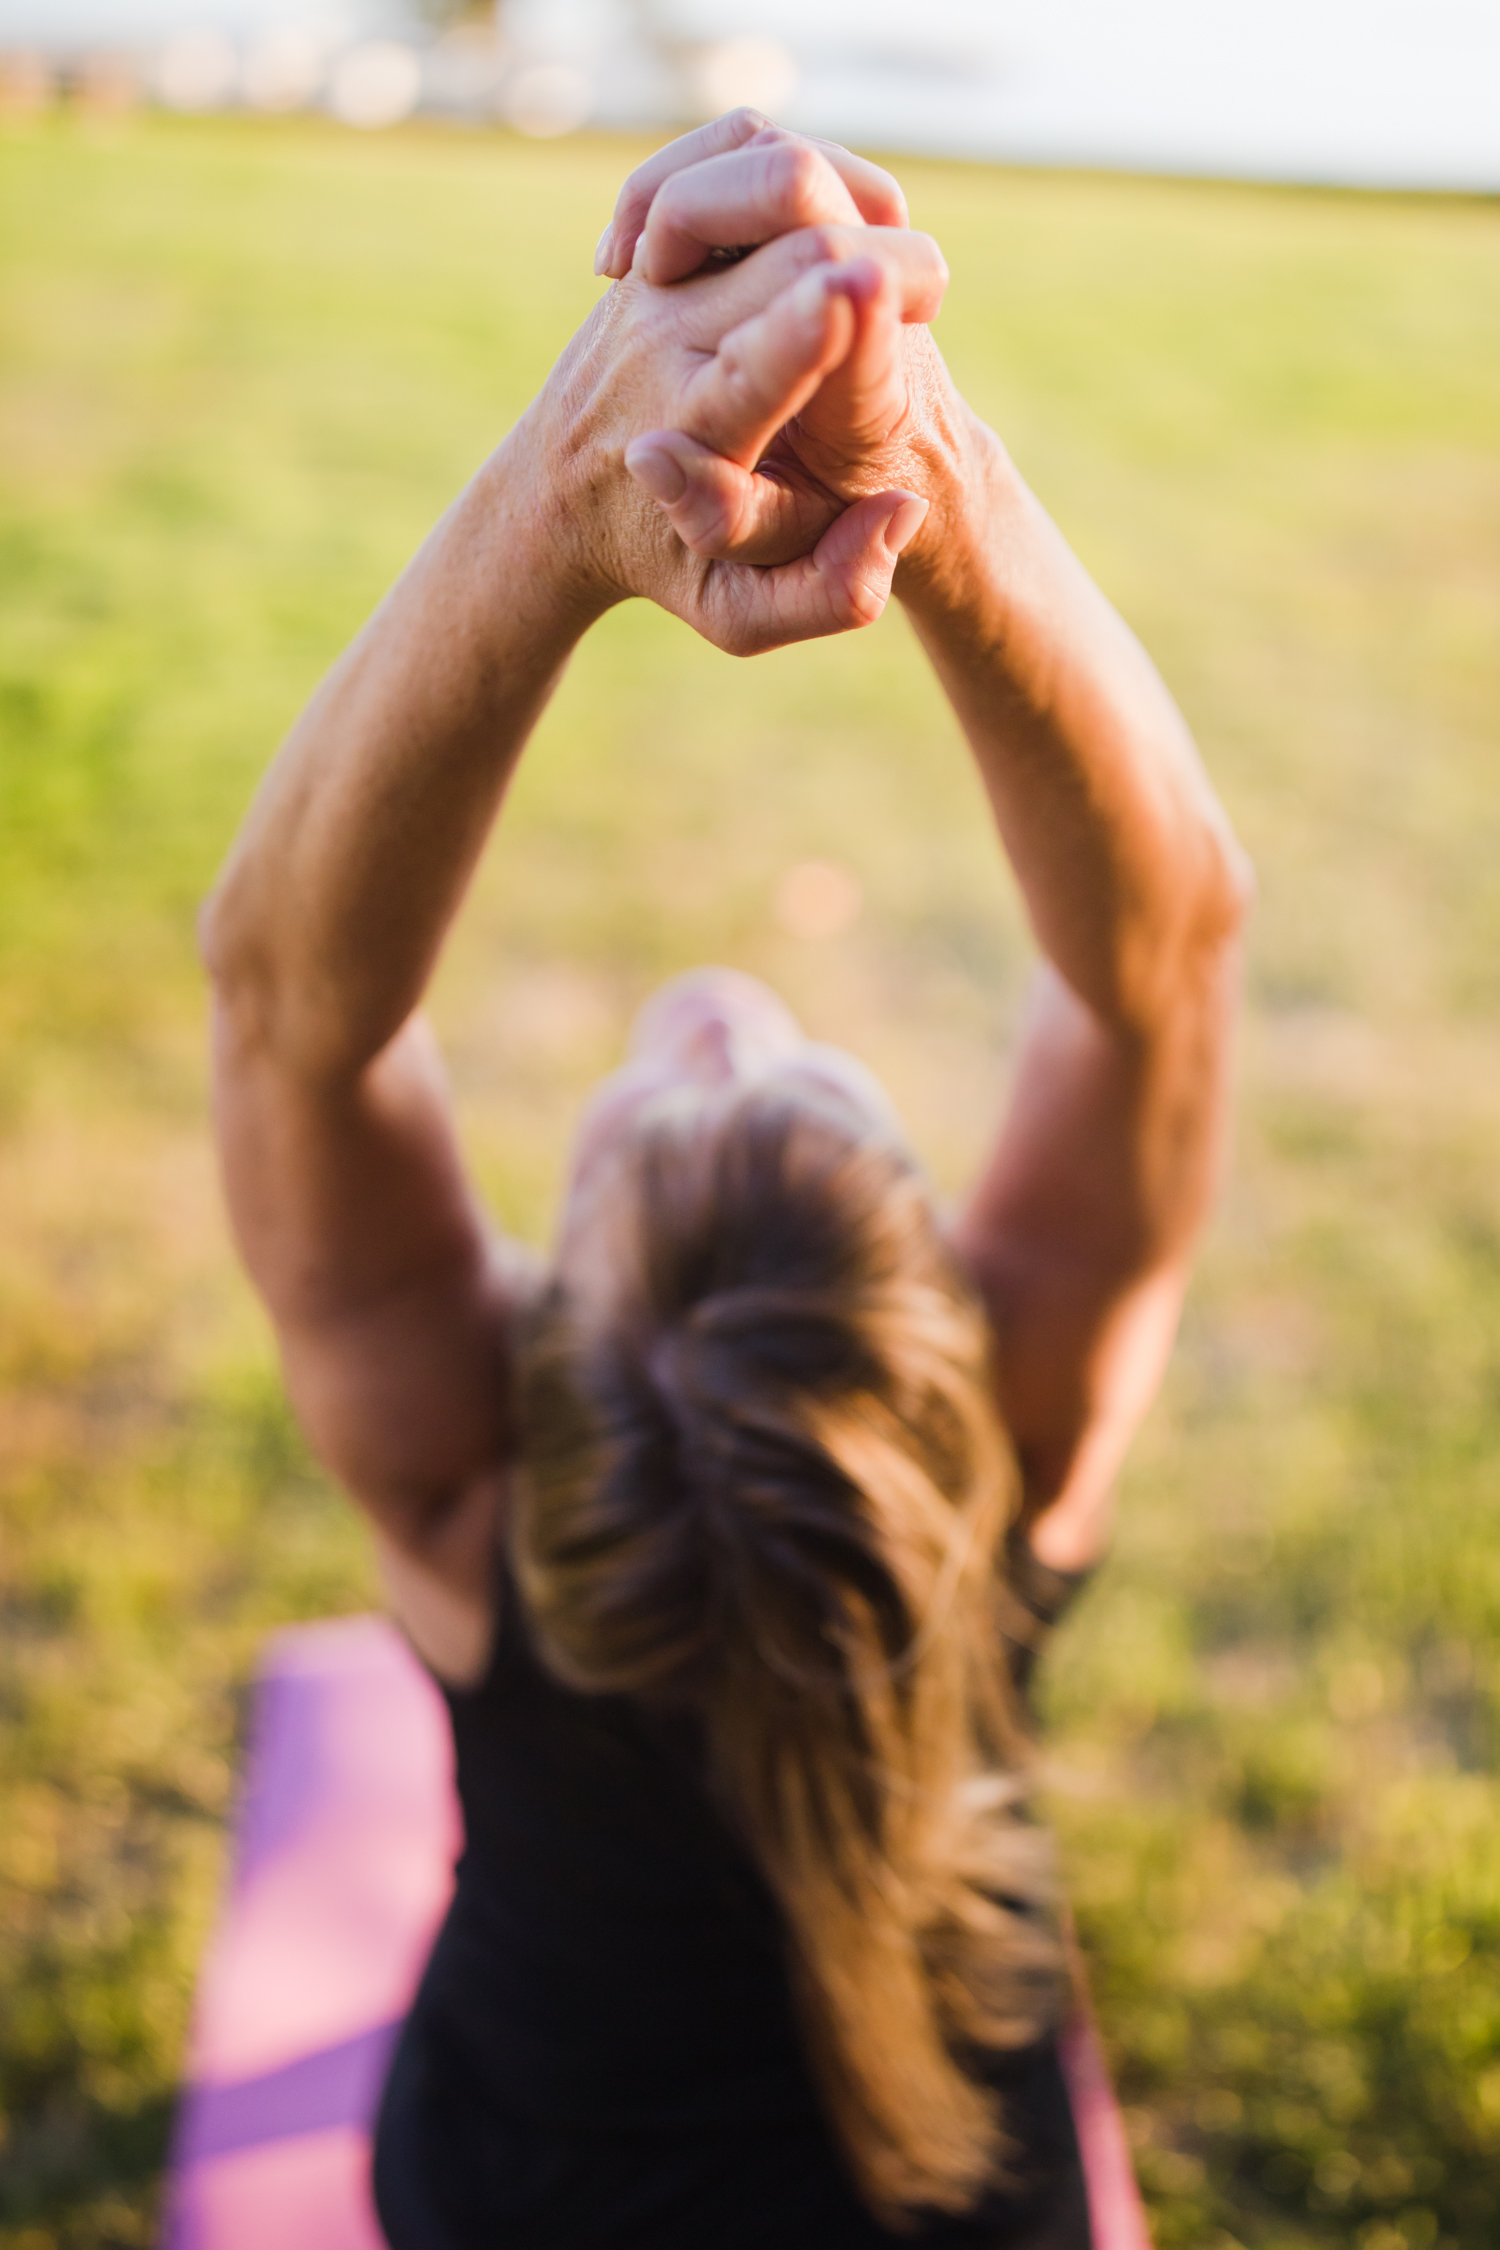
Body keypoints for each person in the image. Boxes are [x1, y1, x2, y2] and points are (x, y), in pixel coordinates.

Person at [200, 112, 1250, 2250]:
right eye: (787, 1084)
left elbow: (292, 1002)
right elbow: (1163, 975)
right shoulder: (1014, 1472)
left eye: (671, 1105)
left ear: (534, 1360)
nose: (720, 1013)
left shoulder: (461, 1498)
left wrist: (570, 492)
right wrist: (928, 474)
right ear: (964, 1347)